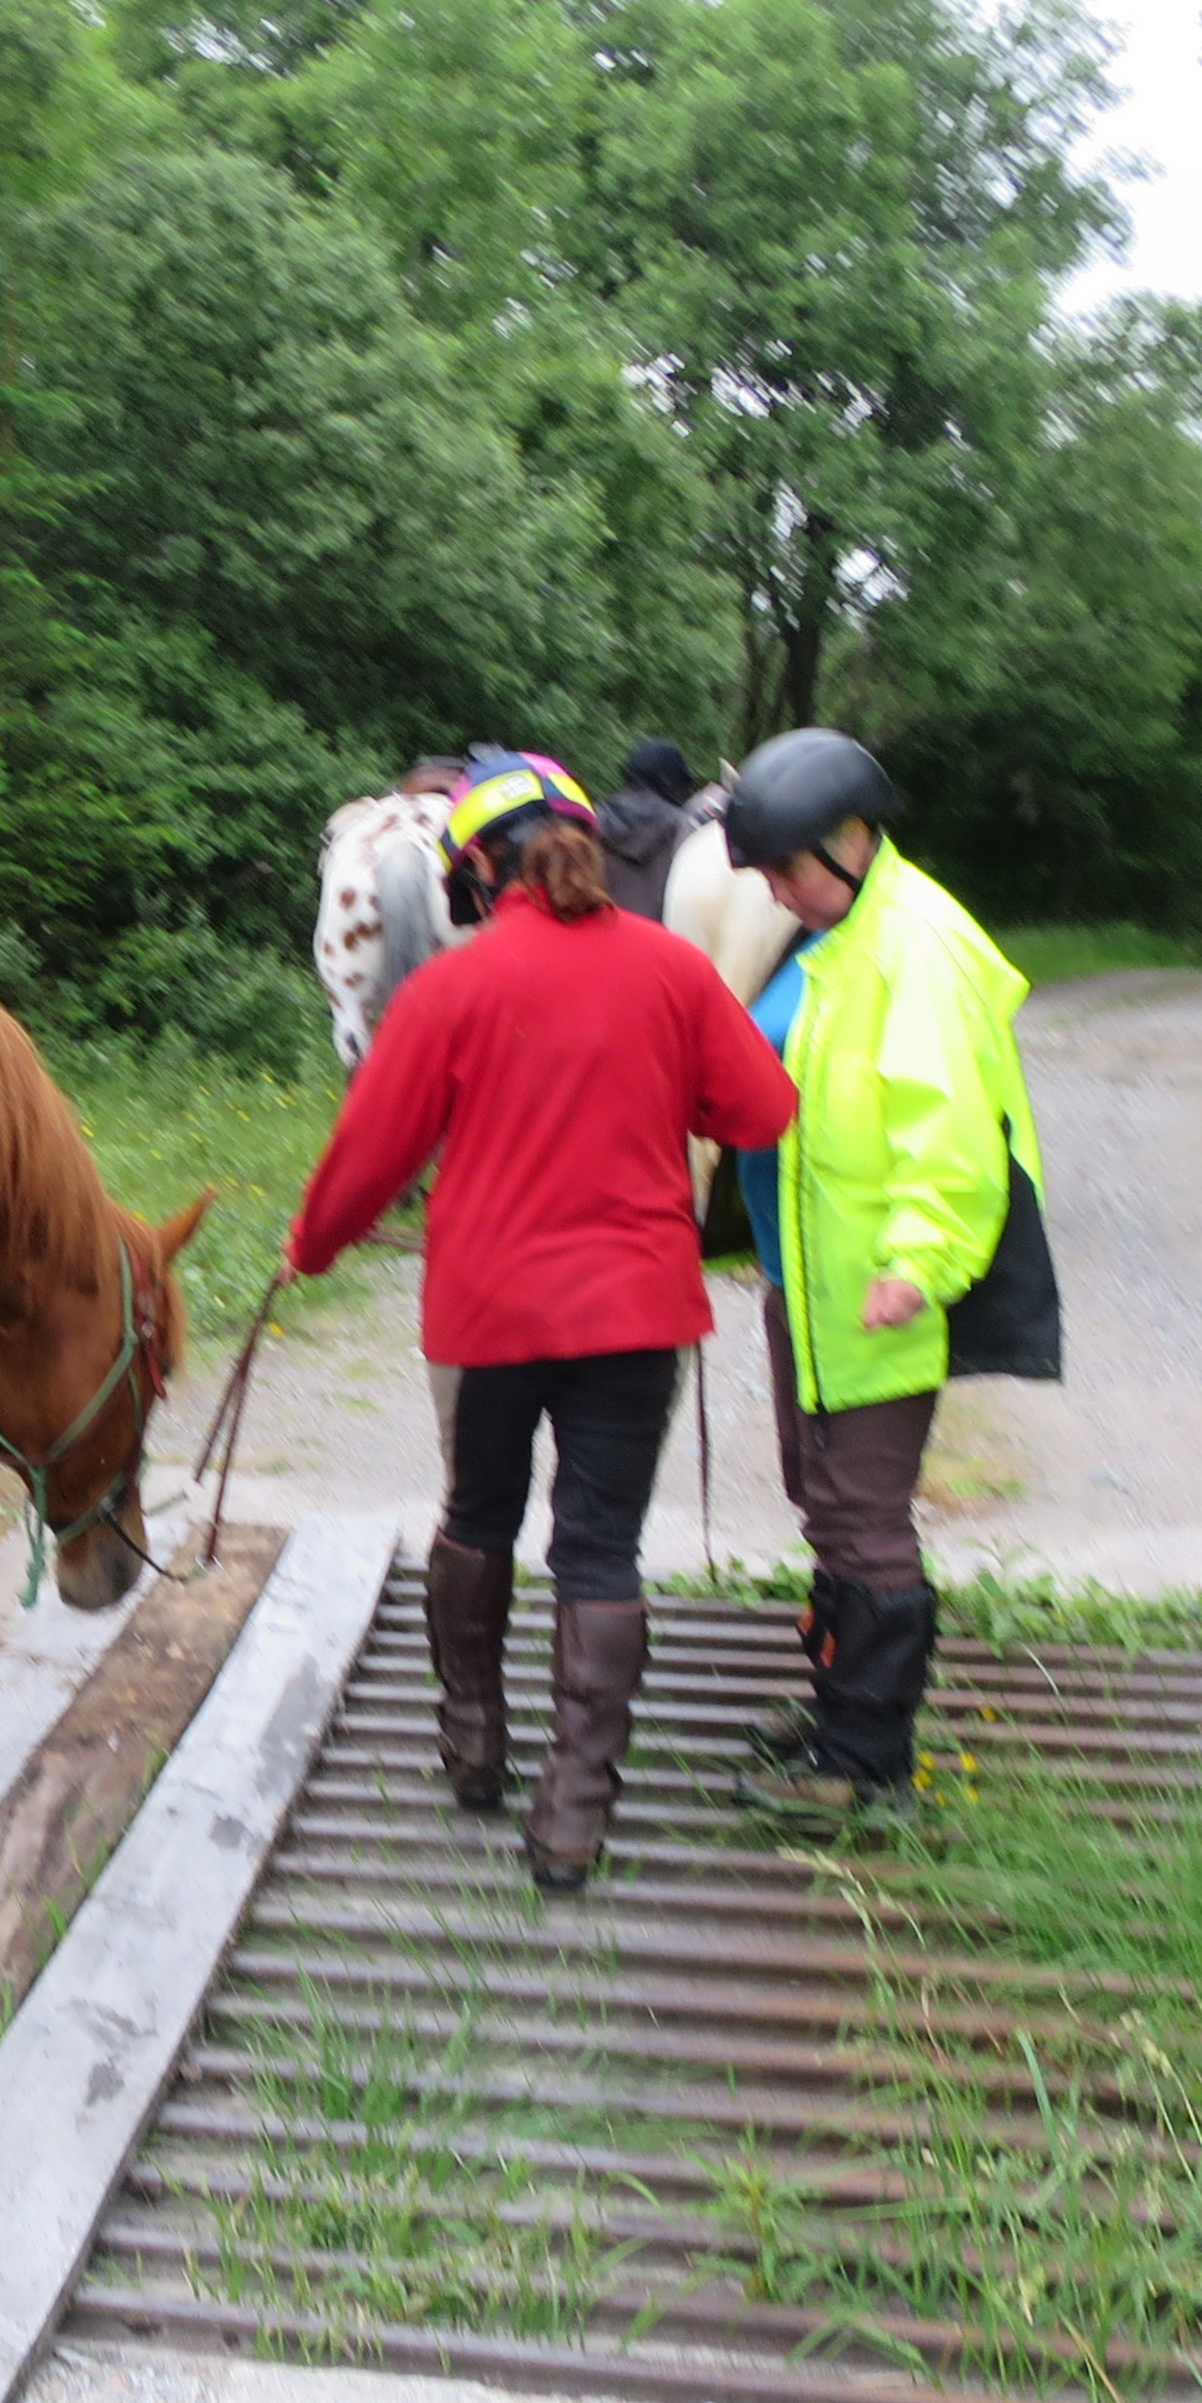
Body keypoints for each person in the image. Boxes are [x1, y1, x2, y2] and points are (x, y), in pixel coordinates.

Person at [285, 747, 796, 1888]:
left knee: (476, 1515)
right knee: (598, 1548)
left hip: (490, 1313)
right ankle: (571, 1815)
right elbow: (761, 1111)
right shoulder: (671, 970)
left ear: (475, 869)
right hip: (635, 1314)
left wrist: (308, 1248)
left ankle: (473, 1747)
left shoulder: (449, 990)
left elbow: (370, 1151)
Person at [714, 728, 1061, 1824]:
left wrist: (916, 1263)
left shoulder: (914, 945)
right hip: (810, 1280)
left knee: (863, 1517)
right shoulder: (838, 935)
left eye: (785, 869)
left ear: (848, 840)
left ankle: (866, 1766)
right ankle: (838, 1706)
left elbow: (949, 1133)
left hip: (875, 1290)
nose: (774, 892)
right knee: (824, 1504)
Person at [591, 737, 706, 921]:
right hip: (660, 935)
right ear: (669, 781)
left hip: (600, 930)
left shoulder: (591, 821)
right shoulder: (686, 829)